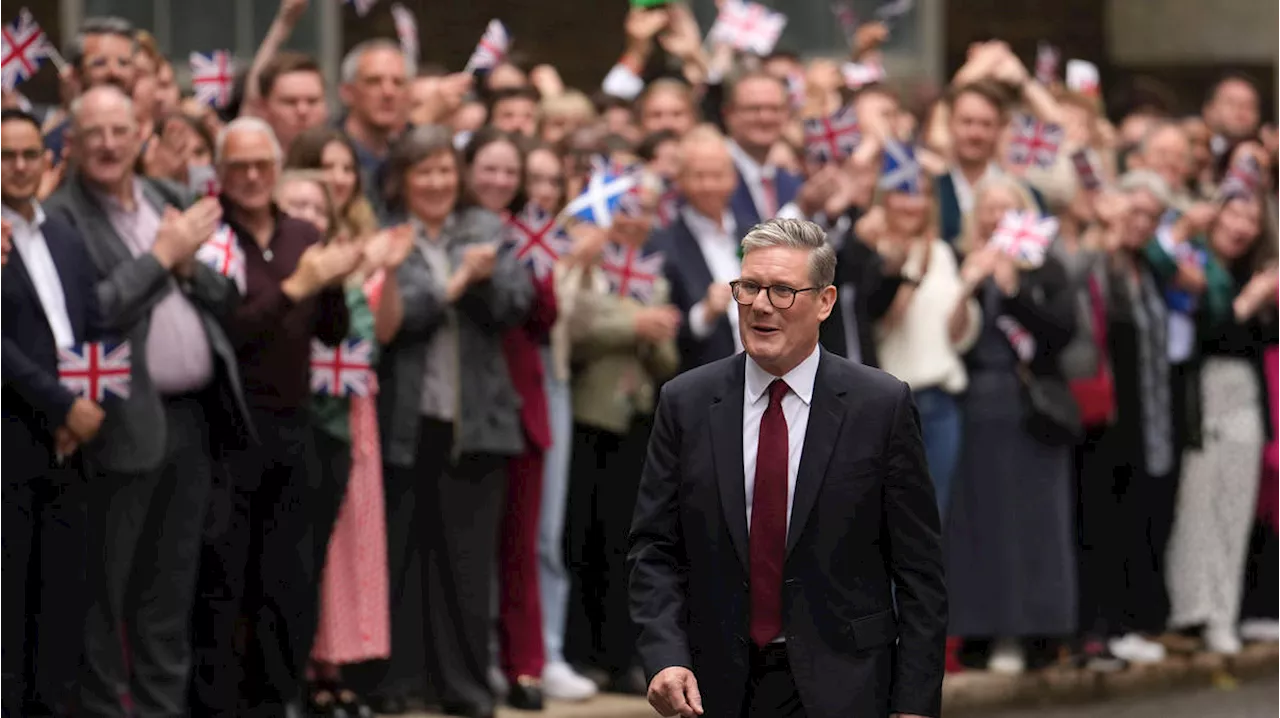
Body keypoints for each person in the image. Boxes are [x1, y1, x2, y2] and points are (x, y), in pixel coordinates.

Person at [628, 217, 946, 718]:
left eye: (781, 291)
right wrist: (665, 657)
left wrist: (915, 704)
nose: (759, 305)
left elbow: (919, 571)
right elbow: (654, 549)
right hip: (716, 687)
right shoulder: (686, 402)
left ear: (825, 301)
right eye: (748, 287)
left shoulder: (879, 406)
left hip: (847, 684)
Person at [0, 109, 102, 717]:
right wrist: (62, 403)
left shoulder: (63, 231)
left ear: (47, 158)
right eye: (5, 155)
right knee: (11, 602)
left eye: (28, 153)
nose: (18, 166)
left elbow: (95, 322)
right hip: (14, 434)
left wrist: (93, 402)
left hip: (75, 443)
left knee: (63, 597)